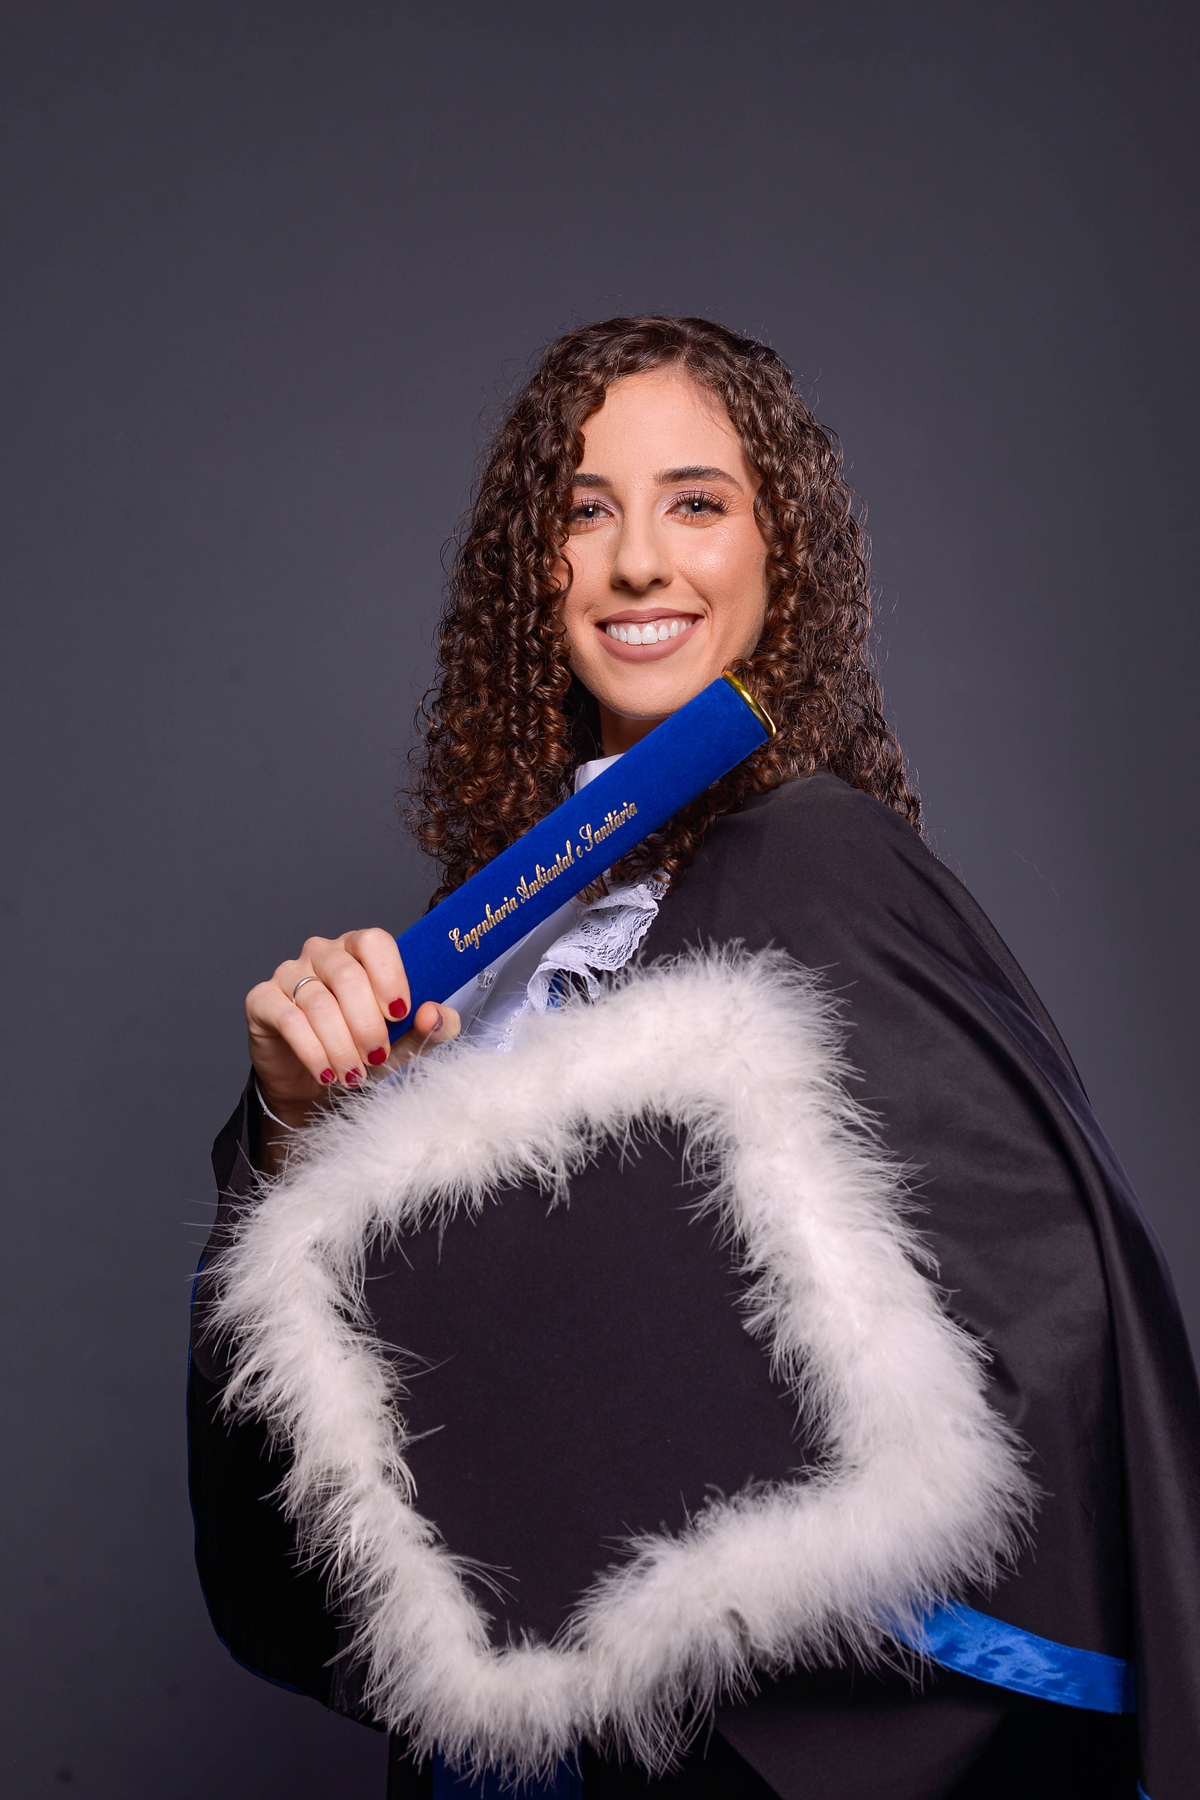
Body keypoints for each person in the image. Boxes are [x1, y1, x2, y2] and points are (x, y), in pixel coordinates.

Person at [188, 317, 1200, 1800]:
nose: (639, 562)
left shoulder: (827, 866)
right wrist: (293, 1128)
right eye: (585, 510)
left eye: (698, 502)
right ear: (531, 573)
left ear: (780, 556)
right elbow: (328, 1468)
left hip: (760, 1749)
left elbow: (1055, 1332)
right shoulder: (478, 944)